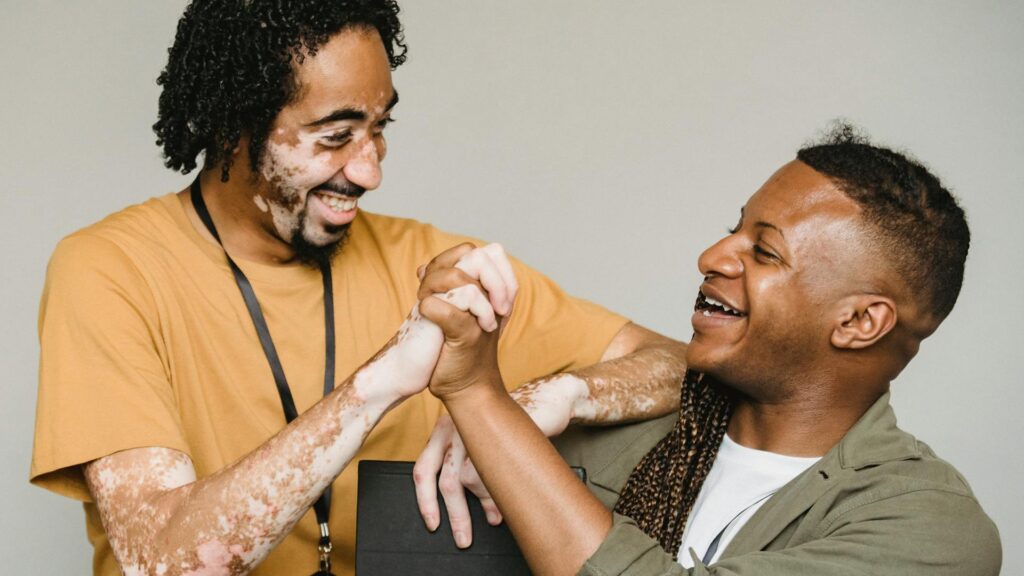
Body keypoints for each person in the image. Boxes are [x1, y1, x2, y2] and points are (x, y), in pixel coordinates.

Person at [29, 2, 687, 575]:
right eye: (336, 137)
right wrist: (375, 386)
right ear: (235, 124)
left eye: (379, 131)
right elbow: (161, 561)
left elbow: (682, 368)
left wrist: (558, 396)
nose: (368, 171)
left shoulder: (429, 265)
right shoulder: (109, 268)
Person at [416, 125, 1002, 575]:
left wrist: (476, 394)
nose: (714, 256)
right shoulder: (607, 439)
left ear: (858, 321)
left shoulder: (930, 528)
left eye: (764, 252)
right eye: (734, 229)